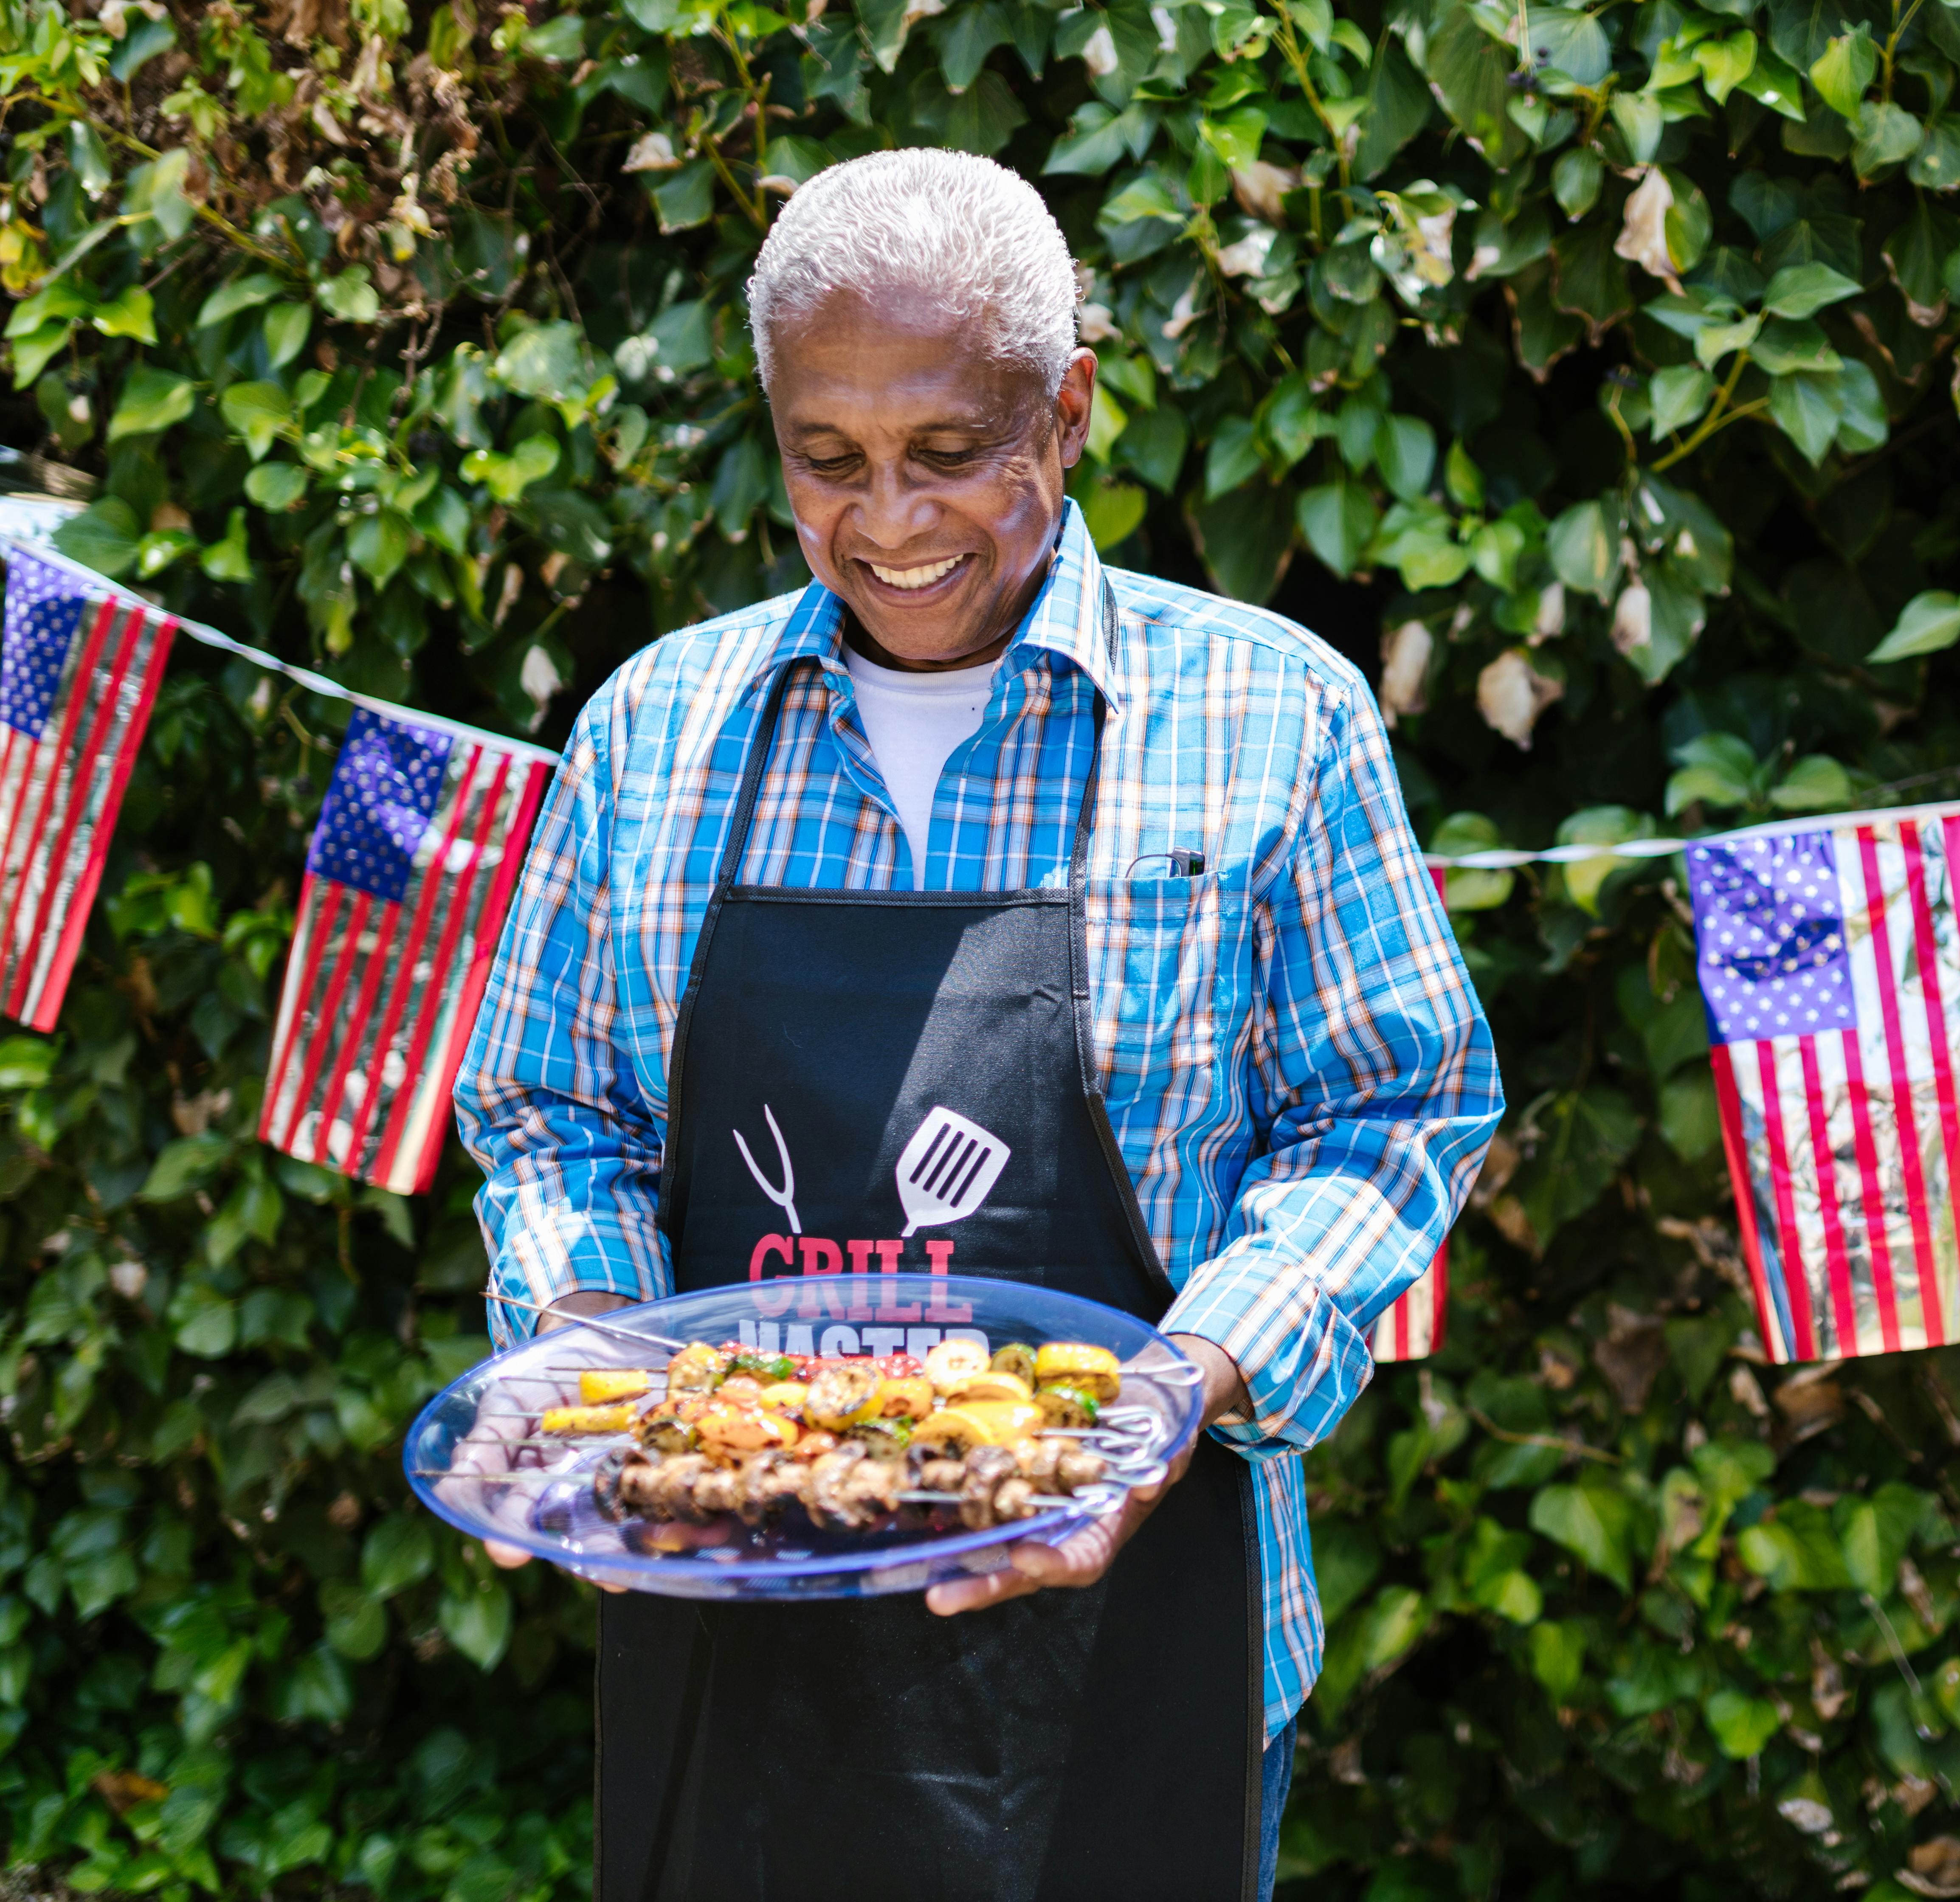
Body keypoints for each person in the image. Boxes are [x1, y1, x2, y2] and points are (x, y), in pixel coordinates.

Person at [451, 148, 1501, 1902]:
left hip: (1135, 1637)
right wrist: (586, 1347)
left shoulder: (1267, 715)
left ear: (1071, 409)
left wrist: (1180, 1383)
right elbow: (557, 1110)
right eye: (826, 459)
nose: (892, 521)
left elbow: (1392, 1109)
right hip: (732, 1620)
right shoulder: (656, 730)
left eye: (952, 453)